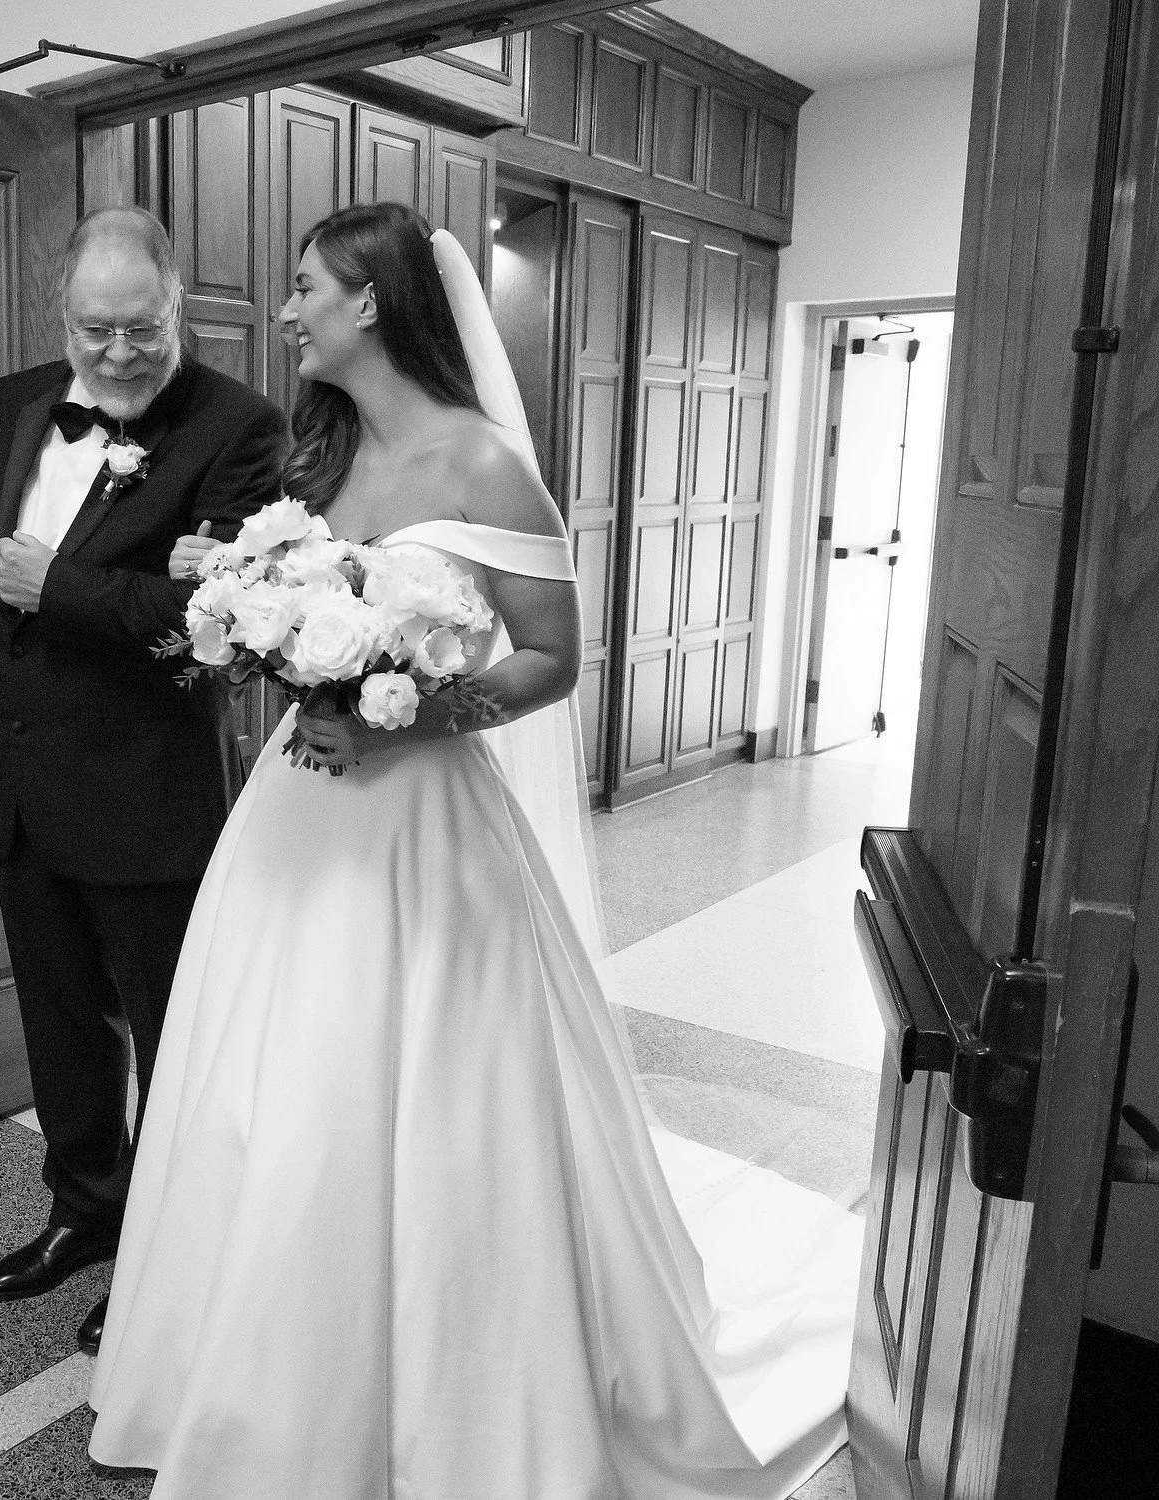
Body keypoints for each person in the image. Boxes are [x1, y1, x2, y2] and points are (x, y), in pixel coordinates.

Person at [86, 202, 862, 1498]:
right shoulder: (316, 461)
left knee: (427, 1088)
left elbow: (554, 657)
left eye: (305, 287)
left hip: (422, 820)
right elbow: (288, 607)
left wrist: (414, 711)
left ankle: (452, 1399)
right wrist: (237, 608)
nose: (287, 310)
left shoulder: (485, 464)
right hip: (296, 812)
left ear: (369, 300)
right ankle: (256, 1380)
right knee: (269, 1081)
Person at [0, 207, 286, 1355]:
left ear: (177, 305)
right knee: (60, 1020)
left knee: (169, 1034)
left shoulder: (237, 427)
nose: (115, 353)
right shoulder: (14, 402)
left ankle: (169, 1252)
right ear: (61, 312)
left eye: (140, 329)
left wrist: (53, 586)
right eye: (92, 329)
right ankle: (85, 1208)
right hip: (20, 781)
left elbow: (217, 617)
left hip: (145, 787)